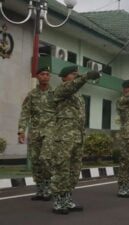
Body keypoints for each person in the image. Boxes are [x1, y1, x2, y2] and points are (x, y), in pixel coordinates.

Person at [51, 66, 100, 214]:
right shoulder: (61, 90)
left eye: (77, 74)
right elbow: (73, 86)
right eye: (73, 74)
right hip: (64, 137)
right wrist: (85, 76)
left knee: (74, 170)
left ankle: (67, 198)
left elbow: (76, 86)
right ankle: (58, 202)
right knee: (62, 169)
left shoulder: (77, 95)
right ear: (64, 77)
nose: (76, 76)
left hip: (77, 137)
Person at [18, 67, 55, 201]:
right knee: (36, 161)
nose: (45, 76)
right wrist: (21, 130)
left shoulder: (55, 93)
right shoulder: (32, 94)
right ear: (38, 77)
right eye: (42, 74)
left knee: (46, 158)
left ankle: (48, 187)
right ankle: (40, 189)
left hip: (50, 131)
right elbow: (25, 113)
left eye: (47, 74)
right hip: (34, 132)